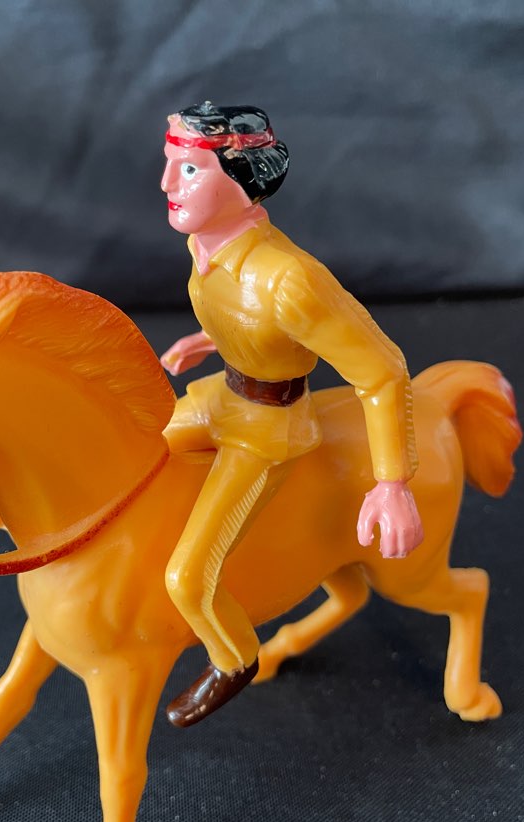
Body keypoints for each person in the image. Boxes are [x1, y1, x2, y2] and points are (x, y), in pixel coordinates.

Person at [160, 101, 424, 727]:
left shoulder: (290, 280)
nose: (168, 184)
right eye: (169, 164)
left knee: (188, 577)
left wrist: (392, 483)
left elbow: (382, 369)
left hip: (268, 428)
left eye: (190, 170)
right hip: (223, 393)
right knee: (134, 450)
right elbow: (249, 318)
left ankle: (233, 657)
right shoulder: (204, 245)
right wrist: (211, 340)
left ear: (242, 181)